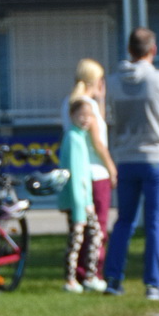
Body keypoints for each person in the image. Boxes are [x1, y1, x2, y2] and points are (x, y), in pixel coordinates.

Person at [103, 28, 159, 301]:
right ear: (153, 49)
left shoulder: (112, 82)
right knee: (156, 223)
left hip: (126, 157)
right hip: (157, 158)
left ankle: (113, 280)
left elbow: (109, 116)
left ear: (129, 49)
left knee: (124, 220)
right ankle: (153, 284)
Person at [61, 58, 117, 269]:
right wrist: (111, 167)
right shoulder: (89, 106)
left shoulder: (69, 102)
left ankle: (79, 268)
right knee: (98, 226)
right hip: (96, 171)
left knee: (80, 225)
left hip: (78, 171)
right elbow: (98, 142)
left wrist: (100, 100)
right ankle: (94, 269)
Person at [58, 97, 106, 293]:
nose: (86, 120)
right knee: (79, 240)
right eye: (81, 115)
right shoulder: (74, 139)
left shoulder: (78, 136)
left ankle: (88, 275)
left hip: (82, 201)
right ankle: (75, 278)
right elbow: (77, 177)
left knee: (91, 237)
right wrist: (83, 206)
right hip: (80, 203)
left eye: (89, 116)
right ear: (72, 116)